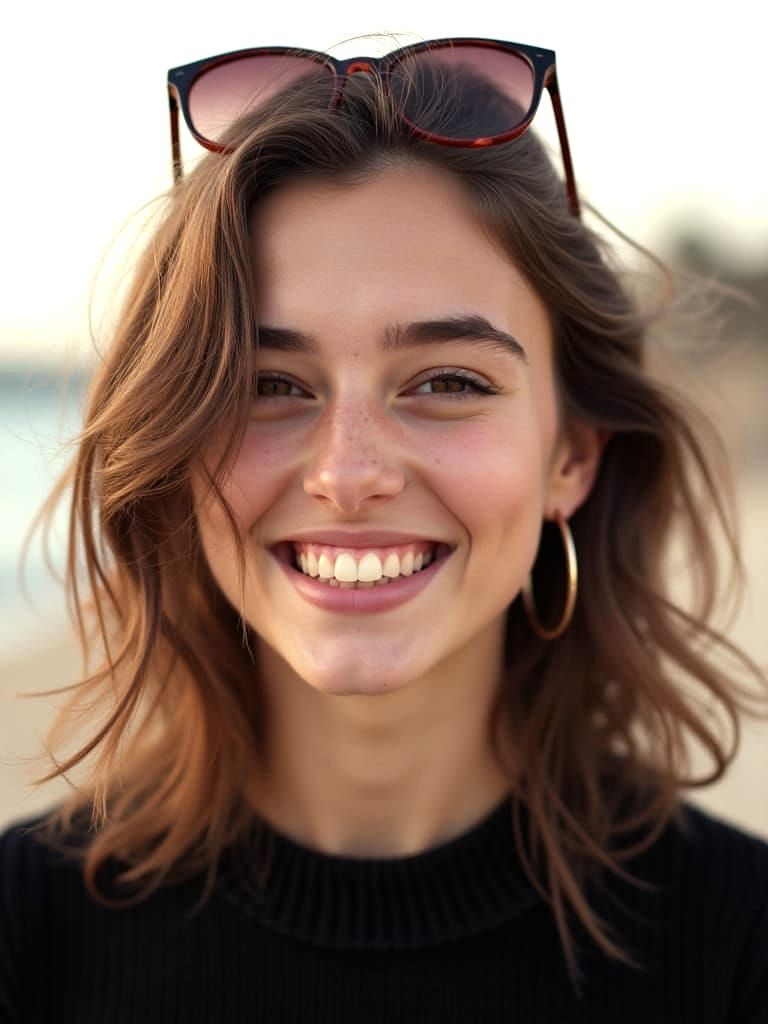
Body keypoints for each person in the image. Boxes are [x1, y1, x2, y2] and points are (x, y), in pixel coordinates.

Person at [1, 38, 767, 1022]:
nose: (348, 473)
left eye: (447, 381)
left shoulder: (737, 944)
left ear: (571, 456)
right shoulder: (27, 935)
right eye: (269, 386)